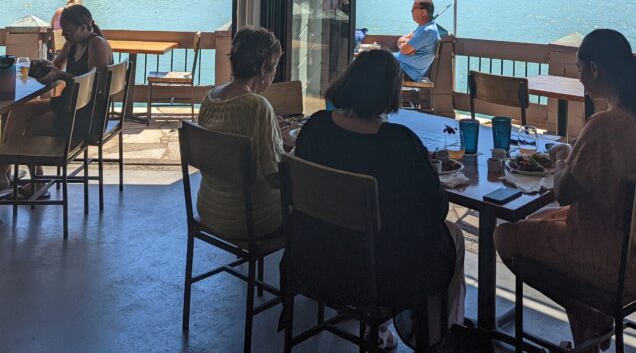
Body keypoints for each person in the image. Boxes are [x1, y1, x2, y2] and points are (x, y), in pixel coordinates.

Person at [494, 29, 636, 348]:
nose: (580, 78)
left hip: (618, 263)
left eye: (580, 70)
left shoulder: (606, 126)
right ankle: (586, 329)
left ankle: (588, 315)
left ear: (594, 69)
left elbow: (564, 191)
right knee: (535, 222)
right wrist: (573, 155)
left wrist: (565, 156)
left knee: (505, 236)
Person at [291, 49, 465, 350]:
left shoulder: (316, 127)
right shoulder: (398, 142)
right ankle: (441, 337)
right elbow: (434, 209)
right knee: (451, 235)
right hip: (373, 272)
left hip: (313, 258)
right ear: (390, 91)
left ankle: (383, 327)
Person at [0, 3, 112, 198]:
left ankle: (34, 180)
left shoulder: (97, 44)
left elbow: (95, 84)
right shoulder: (73, 44)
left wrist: (59, 75)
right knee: (18, 111)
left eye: (68, 31)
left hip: (86, 114)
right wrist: (45, 66)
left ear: (84, 28)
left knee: (29, 123)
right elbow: (57, 65)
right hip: (70, 106)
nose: (65, 36)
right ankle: (3, 174)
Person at [195, 26, 284, 240]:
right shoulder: (258, 106)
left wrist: (270, 130)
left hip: (209, 209)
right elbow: (274, 178)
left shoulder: (210, 98)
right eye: (274, 67)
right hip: (249, 220)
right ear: (264, 68)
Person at [394, 0, 440, 81]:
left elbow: (404, 49)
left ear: (423, 12)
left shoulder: (427, 31)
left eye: (413, 9)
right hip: (401, 66)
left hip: (406, 72)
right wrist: (406, 43)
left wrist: (406, 43)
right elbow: (402, 42)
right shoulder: (423, 27)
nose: (411, 11)